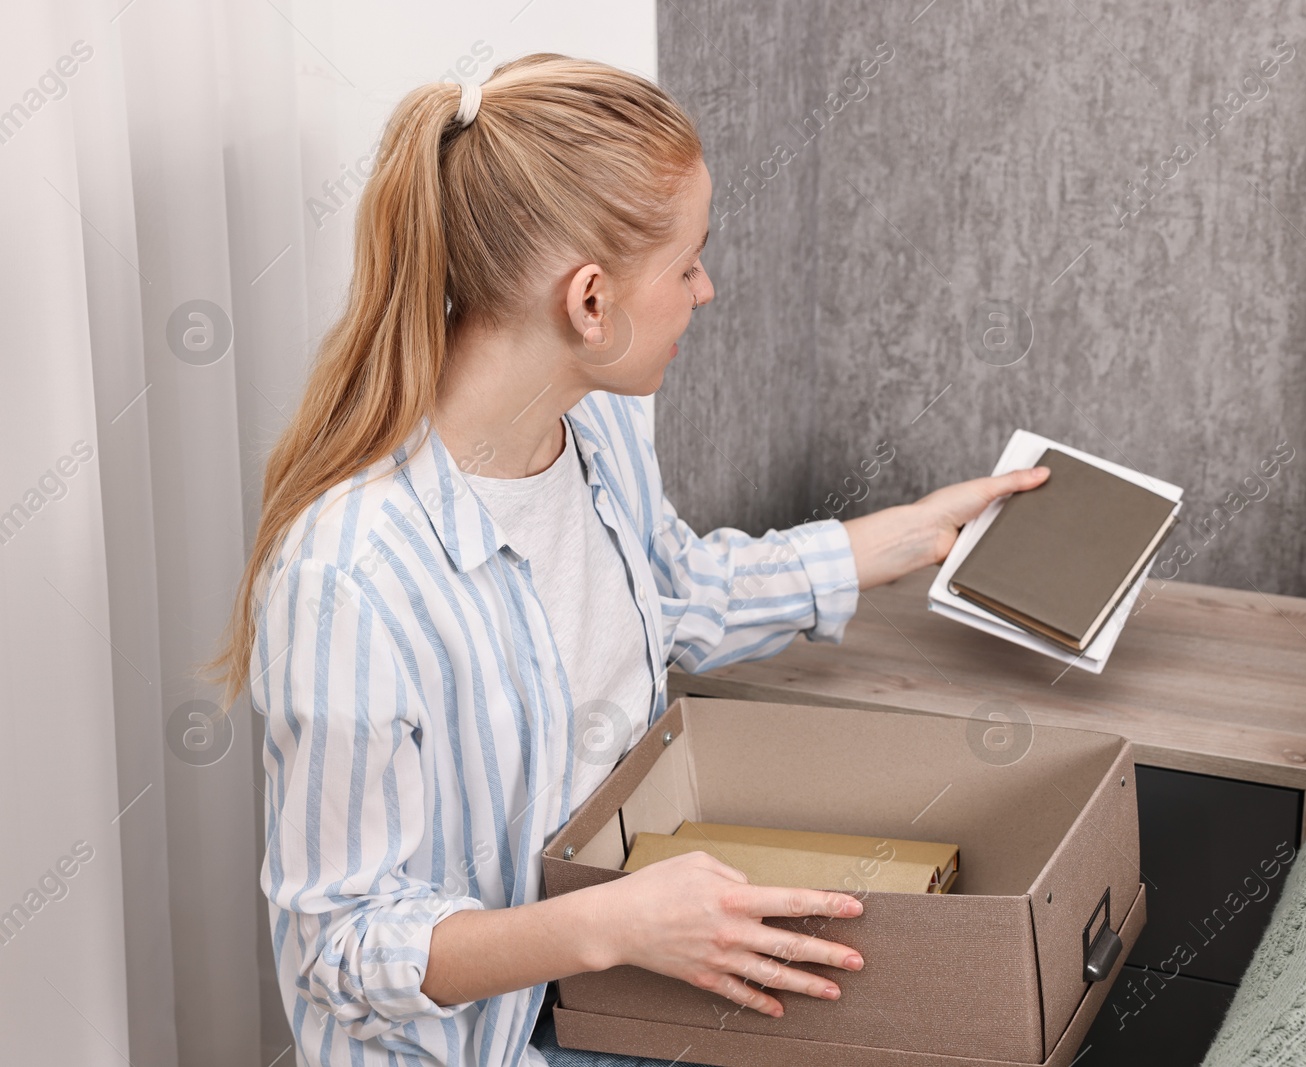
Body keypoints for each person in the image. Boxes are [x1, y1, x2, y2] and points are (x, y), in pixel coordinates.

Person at [203, 52, 1049, 1067]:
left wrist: (904, 535)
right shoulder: (351, 576)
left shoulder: (594, 430)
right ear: (590, 302)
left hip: (612, 985)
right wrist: (612, 923)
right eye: (687, 262)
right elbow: (337, 947)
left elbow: (671, 588)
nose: (707, 286)